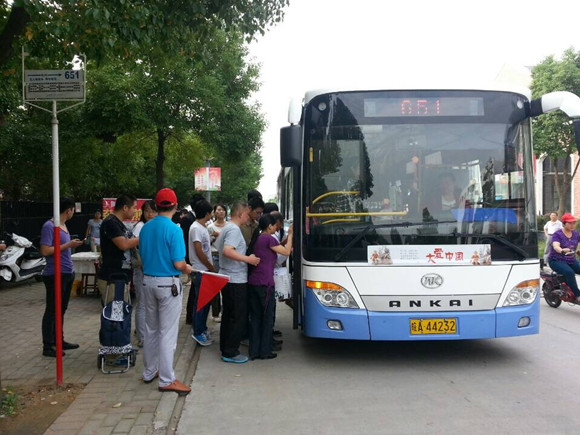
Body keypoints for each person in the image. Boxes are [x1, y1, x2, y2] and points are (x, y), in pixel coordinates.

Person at [140, 188, 193, 395]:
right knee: (167, 333)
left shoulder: (145, 228)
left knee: (151, 329)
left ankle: (149, 371)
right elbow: (179, 263)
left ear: (156, 205)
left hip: (147, 282)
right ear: (175, 205)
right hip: (167, 284)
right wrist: (187, 268)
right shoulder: (174, 230)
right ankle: (166, 379)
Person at [215, 202, 261, 363]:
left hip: (228, 277)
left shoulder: (227, 228)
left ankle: (226, 347)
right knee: (237, 316)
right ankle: (230, 351)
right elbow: (227, 250)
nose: (249, 217)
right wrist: (248, 259)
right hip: (235, 279)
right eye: (247, 214)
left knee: (229, 315)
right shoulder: (234, 230)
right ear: (240, 214)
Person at [39, 197, 85, 357]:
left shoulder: (63, 226)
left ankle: (59, 339)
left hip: (67, 272)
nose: (73, 213)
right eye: (73, 210)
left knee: (61, 309)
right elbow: (45, 250)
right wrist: (68, 245)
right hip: (54, 274)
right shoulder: (49, 226)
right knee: (52, 310)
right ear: (68, 210)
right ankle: (48, 345)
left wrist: (71, 244)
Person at [247, 214, 293, 360]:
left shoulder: (258, 238)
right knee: (267, 318)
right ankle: (265, 351)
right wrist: (291, 235)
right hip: (265, 283)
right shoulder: (269, 238)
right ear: (269, 226)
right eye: (274, 225)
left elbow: (277, 248)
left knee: (255, 318)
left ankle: (254, 351)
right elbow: (286, 252)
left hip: (253, 282)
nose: (276, 227)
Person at [98, 195, 140, 305]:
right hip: (113, 277)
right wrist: (142, 237)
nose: (135, 211)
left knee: (121, 311)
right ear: (125, 208)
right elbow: (123, 244)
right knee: (115, 312)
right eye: (134, 207)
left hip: (122, 277)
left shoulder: (119, 223)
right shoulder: (111, 222)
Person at [188, 199, 216, 346]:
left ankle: (202, 329)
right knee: (200, 303)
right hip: (200, 270)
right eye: (211, 212)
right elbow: (199, 251)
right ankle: (198, 332)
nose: (212, 215)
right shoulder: (195, 228)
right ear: (206, 213)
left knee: (205, 302)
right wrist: (210, 266)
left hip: (205, 270)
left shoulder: (202, 227)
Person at [132, 200, 158, 348]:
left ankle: (145, 333)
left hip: (152, 270)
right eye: (147, 211)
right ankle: (142, 337)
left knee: (149, 305)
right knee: (142, 304)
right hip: (142, 270)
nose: (150, 214)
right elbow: (135, 248)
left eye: (153, 211)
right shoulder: (140, 227)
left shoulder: (154, 226)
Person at [183, 194, 205, 325]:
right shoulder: (188, 219)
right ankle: (190, 315)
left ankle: (191, 315)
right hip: (192, 258)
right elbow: (186, 241)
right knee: (194, 289)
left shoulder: (195, 219)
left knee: (194, 288)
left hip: (194, 258)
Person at [548, 213, 580, 303]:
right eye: (570, 223)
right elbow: (556, 246)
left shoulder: (576, 233)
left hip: (571, 260)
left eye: (573, 223)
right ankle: (578, 295)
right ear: (564, 223)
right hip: (556, 260)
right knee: (569, 272)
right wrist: (562, 250)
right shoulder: (557, 234)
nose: (572, 225)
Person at [207, 203, 228, 322]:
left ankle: (226, 311)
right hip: (214, 256)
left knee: (226, 285)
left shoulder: (229, 226)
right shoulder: (210, 227)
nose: (220, 212)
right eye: (218, 210)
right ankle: (215, 313)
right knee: (215, 286)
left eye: (222, 210)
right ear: (214, 212)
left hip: (226, 256)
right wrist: (213, 236)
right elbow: (206, 243)